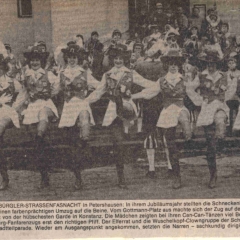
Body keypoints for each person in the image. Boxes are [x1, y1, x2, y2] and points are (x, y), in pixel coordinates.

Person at [86, 48, 156, 188]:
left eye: (120, 58)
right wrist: (84, 101)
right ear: (112, 59)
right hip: (113, 111)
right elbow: (98, 93)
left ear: (124, 59)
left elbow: (150, 85)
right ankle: (121, 178)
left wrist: (139, 95)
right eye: (115, 58)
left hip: (128, 108)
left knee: (123, 137)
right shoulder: (107, 74)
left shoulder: (131, 73)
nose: (118, 61)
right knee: (118, 143)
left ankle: (124, 113)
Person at [132, 49, 192, 189]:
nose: (173, 66)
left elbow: (193, 94)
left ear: (179, 66)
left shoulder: (184, 79)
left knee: (183, 116)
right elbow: (149, 92)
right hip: (167, 112)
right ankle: (177, 176)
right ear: (167, 65)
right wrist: (132, 97)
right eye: (171, 64)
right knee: (170, 145)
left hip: (180, 107)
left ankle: (187, 130)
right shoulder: (162, 80)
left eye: (175, 64)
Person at [58, 44, 99, 190]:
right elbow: (55, 89)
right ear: (66, 58)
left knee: (84, 128)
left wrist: (90, 98)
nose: (72, 60)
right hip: (69, 108)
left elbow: (100, 86)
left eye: (74, 57)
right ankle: (78, 178)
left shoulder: (85, 72)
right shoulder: (61, 73)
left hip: (82, 103)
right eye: (69, 57)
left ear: (78, 58)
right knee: (73, 146)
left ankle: (85, 141)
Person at [186, 49, 228, 188]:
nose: (211, 66)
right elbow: (189, 89)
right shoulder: (201, 76)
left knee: (220, 119)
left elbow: (231, 90)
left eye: (214, 63)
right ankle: (213, 175)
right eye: (209, 63)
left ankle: (221, 133)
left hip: (220, 107)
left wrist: (224, 100)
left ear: (217, 64)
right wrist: (199, 100)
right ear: (206, 64)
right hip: (207, 109)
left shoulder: (224, 76)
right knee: (210, 145)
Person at [21, 46, 59, 189]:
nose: (35, 63)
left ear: (41, 61)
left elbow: (58, 85)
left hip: (45, 104)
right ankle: (44, 175)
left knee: (42, 117)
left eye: (37, 60)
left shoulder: (48, 74)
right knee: (39, 144)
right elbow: (23, 93)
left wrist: (50, 94)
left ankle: (40, 137)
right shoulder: (27, 75)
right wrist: (16, 108)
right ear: (30, 62)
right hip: (32, 106)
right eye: (32, 60)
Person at [0, 55, 25, 190]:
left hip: (5, 112)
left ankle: (4, 178)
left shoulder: (11, 82)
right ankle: (4, 176)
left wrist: (14, 108)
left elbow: (23, 94)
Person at [225, 54, 240, 136]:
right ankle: (229, 128)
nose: (231, 65)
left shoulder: (239, 73)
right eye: (229, 63)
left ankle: (238, 129)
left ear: (236, 64)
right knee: (229, 111)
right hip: (228, 96)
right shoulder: (225, 74)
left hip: (237, 96)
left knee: (238, 110)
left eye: (233, 63)